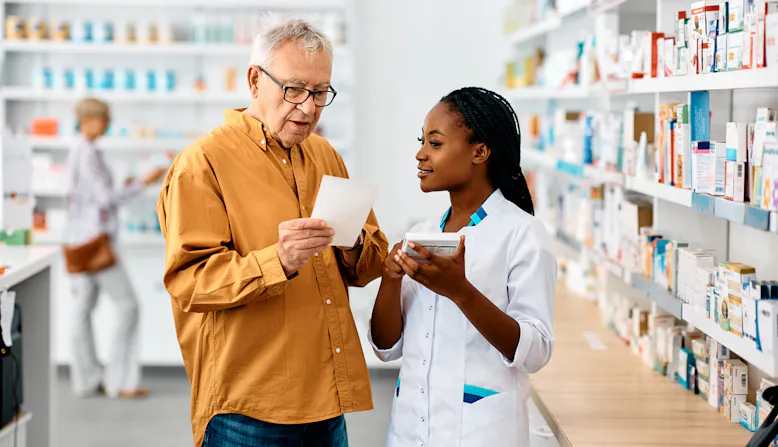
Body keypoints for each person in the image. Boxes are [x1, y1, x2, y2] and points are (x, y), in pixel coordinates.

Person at [156, 15, 388, 447]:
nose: (309, 107)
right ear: (254, 80)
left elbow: (368, 263)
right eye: (295, 89)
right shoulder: (202, 163)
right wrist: (276, 261)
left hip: (327, 400)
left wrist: (353, 243)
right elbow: (190, 282)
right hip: (247, 412)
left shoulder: (325, 155)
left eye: (321, 93)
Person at [369, 87, 557, 447]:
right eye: (422, 141)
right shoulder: (421, 234)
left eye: (435, 144)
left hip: (481, 432)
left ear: (480, 152)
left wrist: (460, 291)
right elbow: (385, 346)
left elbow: (535, 352)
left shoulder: (522, 234)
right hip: (410, 430)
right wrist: (390, 280)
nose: (420, 154)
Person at [66, 98, 167, 398]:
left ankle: (86, 380)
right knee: (128, 306)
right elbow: (106, 199)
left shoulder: (81, 151)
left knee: (82, 309)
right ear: (88, 118)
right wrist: (143, 183)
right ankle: (119, 381)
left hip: (79, 240)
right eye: (104, 119)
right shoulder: (87, 154)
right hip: (95, 242)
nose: (107, 124)